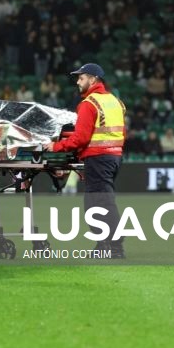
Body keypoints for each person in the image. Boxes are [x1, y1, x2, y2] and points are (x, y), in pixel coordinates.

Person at [44, 63, 126, 258]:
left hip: (98, 159)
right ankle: (103, 246)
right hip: (114, 157)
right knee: (99, 202)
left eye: (81, 78)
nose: (78, 82)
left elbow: (80, 138)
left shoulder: (89, 104)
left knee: (100, 204)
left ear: (93, 79)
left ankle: (115, 248)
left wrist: (55, 147)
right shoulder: (116, 102)